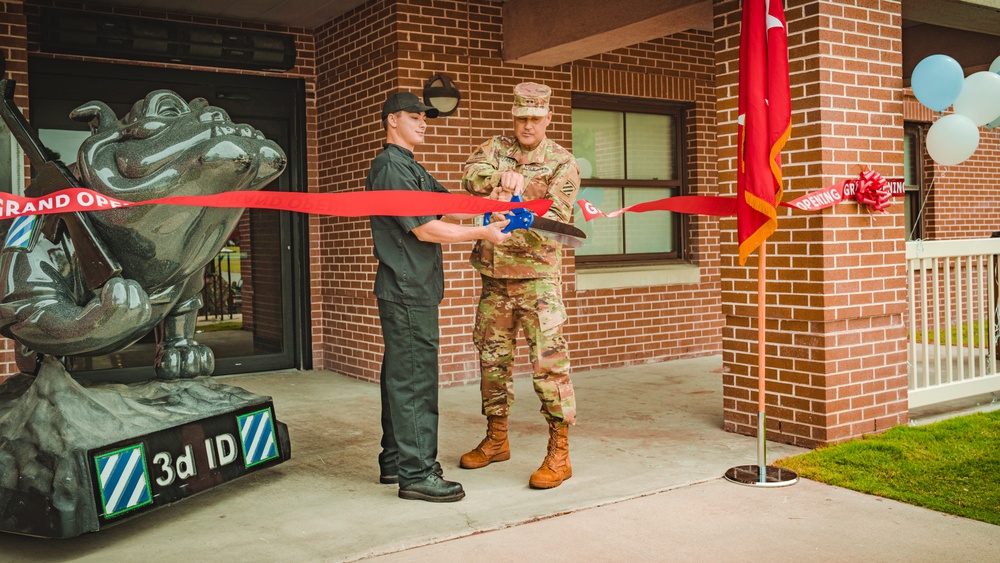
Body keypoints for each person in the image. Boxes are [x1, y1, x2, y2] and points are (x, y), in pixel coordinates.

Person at [367, 91, 511, 502]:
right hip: (406, 288)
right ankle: (417, 474)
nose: (424, 122)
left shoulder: (409, 166)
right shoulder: (391, 167)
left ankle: (395, 459)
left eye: (425, 117)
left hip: (411, 287)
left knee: (402, 375)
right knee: (415, 381)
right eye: (415, 116)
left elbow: (447, 206)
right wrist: (483, 232)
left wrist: (490, 206)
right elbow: (426, 228)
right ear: (392, 120)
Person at [459, 82, 581, 489]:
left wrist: (520, 188)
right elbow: (472, 177)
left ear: (549, 118)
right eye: (521, 118)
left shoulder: (562, 162)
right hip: (495, 279)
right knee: (492, 363)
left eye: (535, 118)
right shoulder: (495, 148)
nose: (527, 125)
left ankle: (559, 453)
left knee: (549, 369)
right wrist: (498, 176)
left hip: (537, 282)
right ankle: (496, 439)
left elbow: (559, 215)